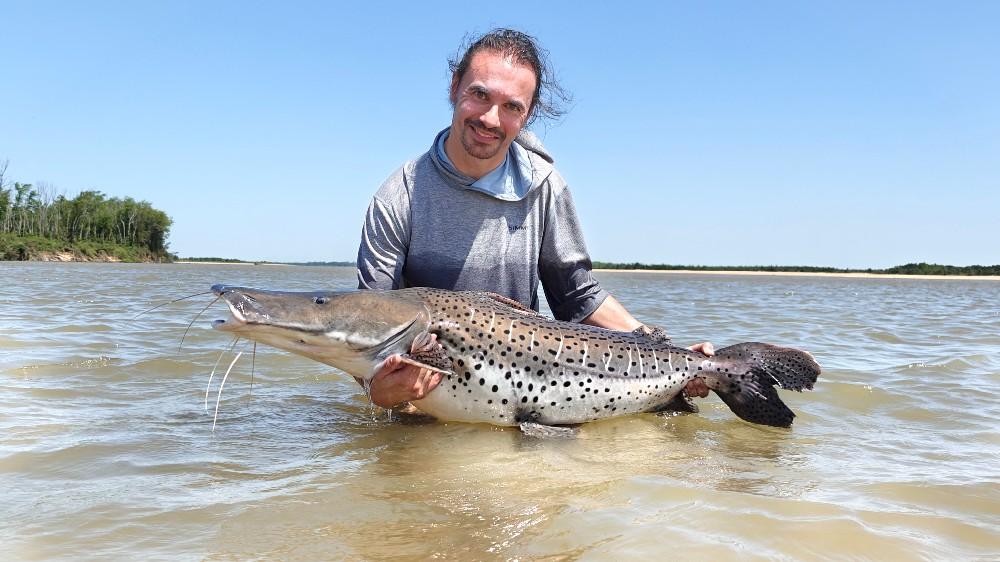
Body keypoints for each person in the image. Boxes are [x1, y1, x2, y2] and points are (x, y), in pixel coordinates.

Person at [357, 28, 711, 409]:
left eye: (512, 106)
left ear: (528, 114)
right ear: (454, 86)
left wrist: (663, 348)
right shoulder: (398, 197)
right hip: (423, 402)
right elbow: (365, 324)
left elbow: (577, 297)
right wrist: (375, 390)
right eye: (480, 95)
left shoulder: (545, 187)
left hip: (525, 391)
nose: (490, 119)